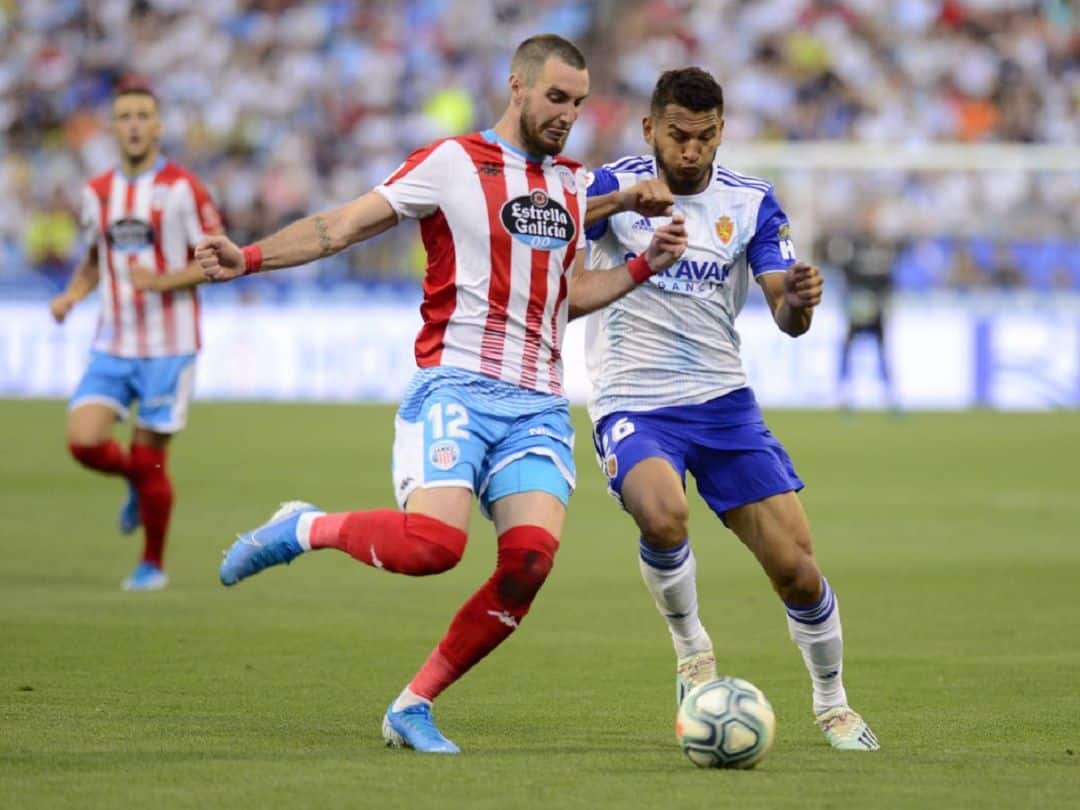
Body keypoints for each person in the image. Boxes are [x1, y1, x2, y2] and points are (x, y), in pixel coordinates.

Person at [195, 34, 687, 754]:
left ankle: (413, 704)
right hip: (456, 384)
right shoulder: (452, 163)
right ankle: (305, 527)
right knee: (433, 547)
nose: (567, 115)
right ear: (516, 86)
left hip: (540, 405)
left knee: (527, 566)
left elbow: (562, 298)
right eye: (556, 97)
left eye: (578, 103)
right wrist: (248, 257)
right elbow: (339, 227)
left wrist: (643, 267)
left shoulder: (576, 189)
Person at [582, 67, 879, 751]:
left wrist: (799, 302)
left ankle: (833, 705)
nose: (691, 150)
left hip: (724, 404)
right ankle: (693, 652)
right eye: (679, 135)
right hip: (634, 399)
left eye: (706, 136)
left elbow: (785, 313)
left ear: (722, 132)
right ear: (650, 128)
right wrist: (627, 198)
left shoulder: (751, 203)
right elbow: (555, 219)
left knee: (798, 570)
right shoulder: (611, 186)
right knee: (662, 512)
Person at [50, 80, 221, 591]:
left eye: (143, 115)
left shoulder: (184, 189)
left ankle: (152, 564)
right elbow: (95, 257)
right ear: (112, 126)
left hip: (169, 347)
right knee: (83, 442)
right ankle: (132, 478)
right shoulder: (96, 193)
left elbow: (217, 260)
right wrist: (71, 295)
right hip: (112, 342)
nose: (134, 124)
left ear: (158, 125)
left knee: (152, 460)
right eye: (124, 116)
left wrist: (163, 281)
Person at [819, 222, 898, 410]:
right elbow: (846, 275)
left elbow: (888, 283)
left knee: (880, 352)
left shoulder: (881, 252)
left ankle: (889, 396)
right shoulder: (855, 249)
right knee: (850, 350)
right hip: (858, 309)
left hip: (875, 310)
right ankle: (844, 395)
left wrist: (885, 303)